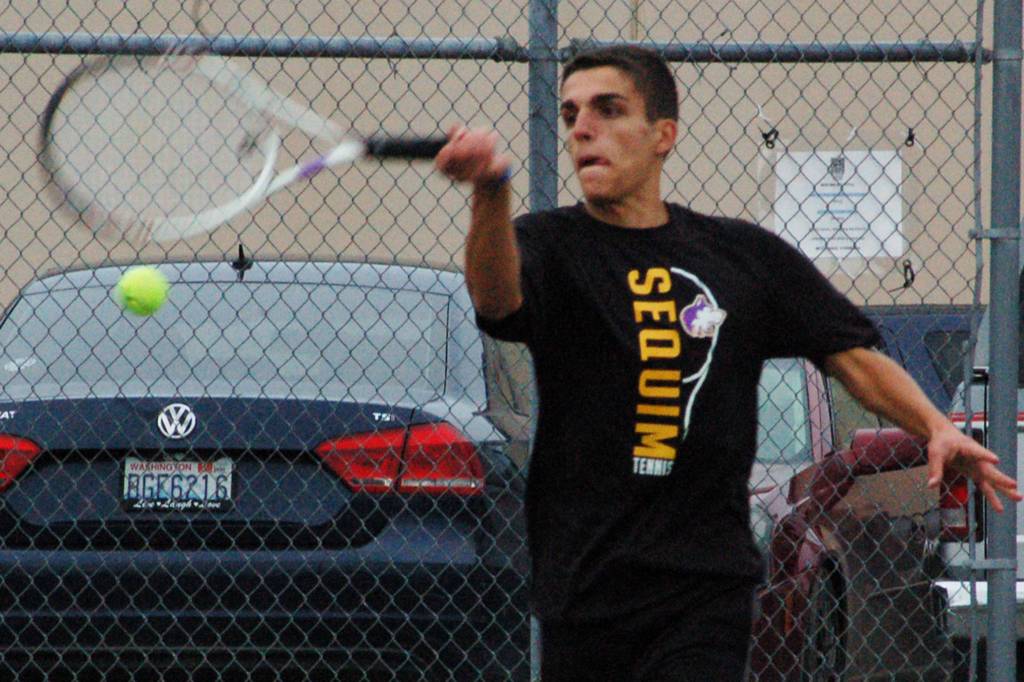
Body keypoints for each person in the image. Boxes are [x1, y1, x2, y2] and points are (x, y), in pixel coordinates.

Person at [434, 45, 1021, 681]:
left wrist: (934, 426)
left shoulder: (739, 256)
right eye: (572, 114)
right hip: (583, 590)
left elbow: (852, 358)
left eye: (608, 109)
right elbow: (496, 300)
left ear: (663, 135)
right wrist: (489, 191)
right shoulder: (549, 244)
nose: (582, 128)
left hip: (702, 591)